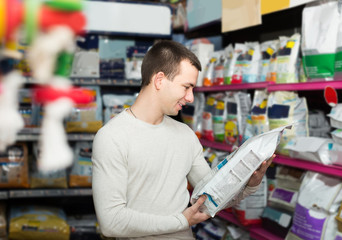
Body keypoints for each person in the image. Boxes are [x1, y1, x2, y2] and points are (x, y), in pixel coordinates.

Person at [92, 40, 274, 239]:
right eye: (186, 87)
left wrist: (250, 183)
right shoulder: (112, 137)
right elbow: (111, 222)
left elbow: (212, 198)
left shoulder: (185, 134)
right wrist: (181, 221)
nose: (191, 98)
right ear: (160, 80)